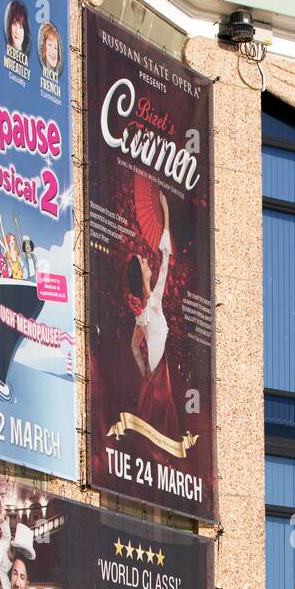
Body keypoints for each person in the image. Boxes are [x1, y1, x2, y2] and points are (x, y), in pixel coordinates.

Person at [127, 190, 180, 447]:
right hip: (160, 379)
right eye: (143, 262)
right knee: (162, 431)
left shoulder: (142, 313)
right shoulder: (153, 302)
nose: (147, 261)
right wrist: (166, 214)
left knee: (156, 430)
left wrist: (144, 371)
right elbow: (166, 259)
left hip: (156, 378)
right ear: (143, 275)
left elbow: (134, 346)